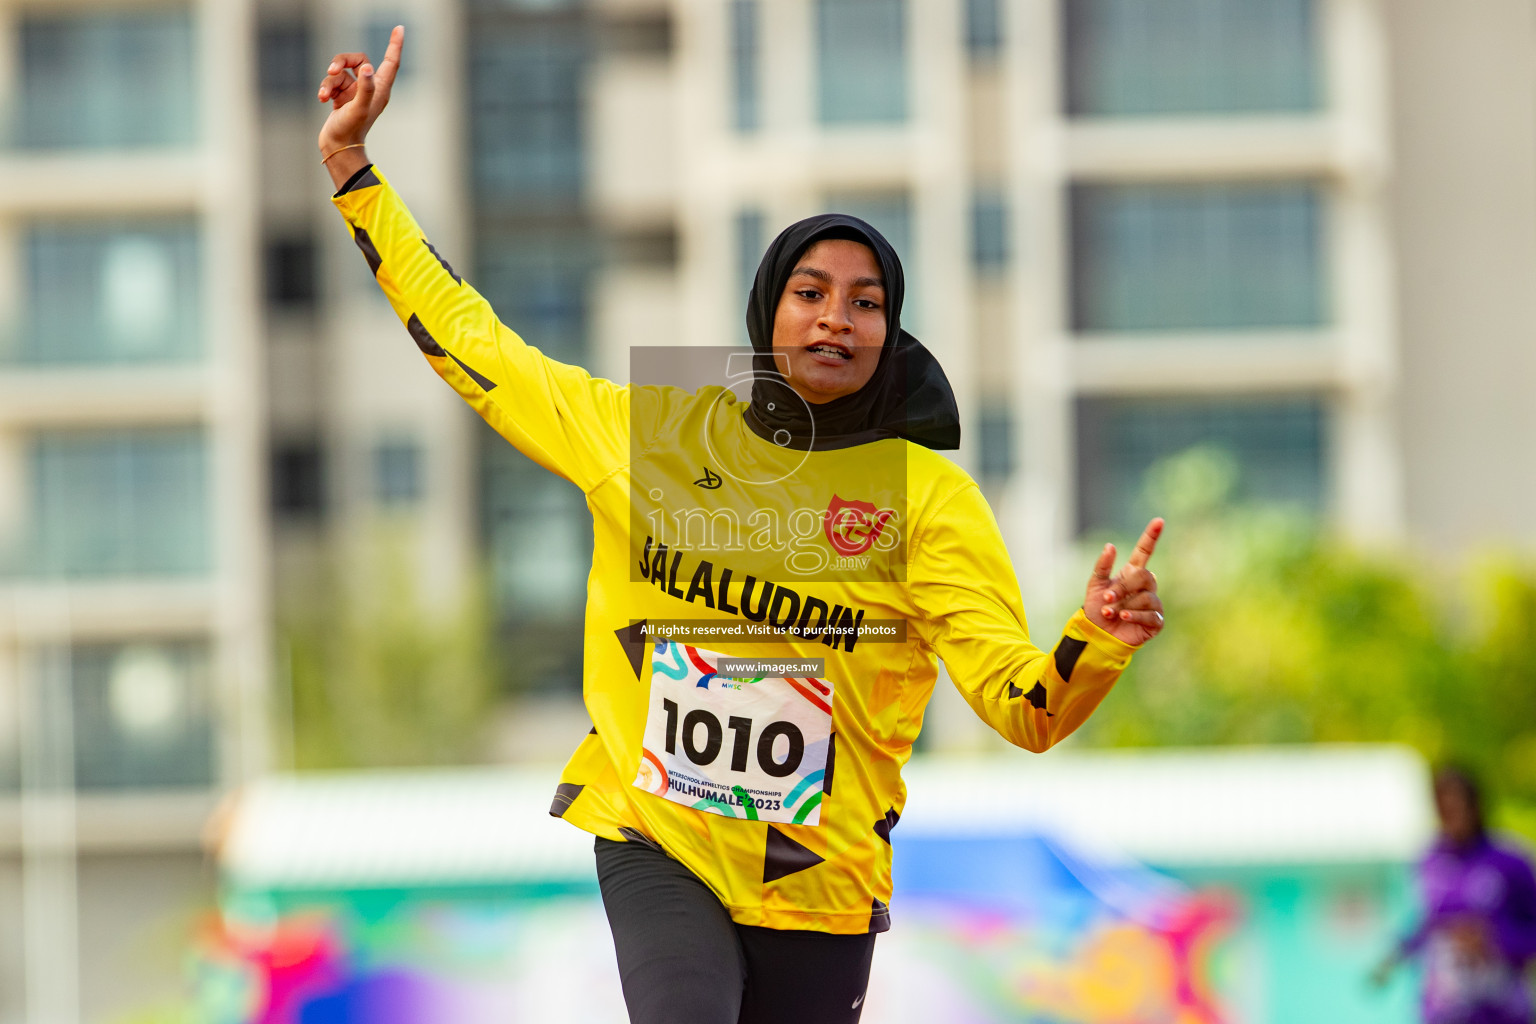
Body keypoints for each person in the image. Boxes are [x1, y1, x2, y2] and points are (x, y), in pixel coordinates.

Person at [314, 28, 1165, 1023]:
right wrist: (351, 167)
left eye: (865, 303)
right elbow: (475, 345)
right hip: (657, 835)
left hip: (820, 882)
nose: (834, 320)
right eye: (809, 294)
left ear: (894, 336)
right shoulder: (657, 432)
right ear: (767, 311)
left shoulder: (926, 497)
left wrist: (1096, 636)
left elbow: (1024, 709)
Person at [1374, 767, 1536, 1024]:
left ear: (1476, 805)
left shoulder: (1511, 862)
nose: (1452, 816)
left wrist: (1494, 939)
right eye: (1443, 807)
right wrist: (1393, 957)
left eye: (1457, 805)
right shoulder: (1428, 861)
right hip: (1443, 1010)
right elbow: (1425, 924)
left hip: (1501, 1011)